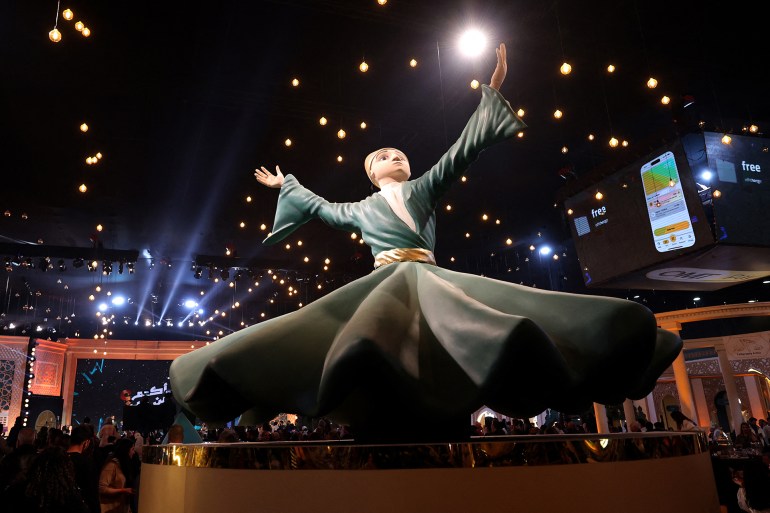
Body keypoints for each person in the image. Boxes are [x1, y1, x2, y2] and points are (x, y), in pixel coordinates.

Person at [170, 42, 681, 441]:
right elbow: (322, 209)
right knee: (363, 342)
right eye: (381, 156)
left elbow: (460, 153)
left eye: (396, 153)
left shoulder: (423, 187)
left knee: (474, 330)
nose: (392, 156)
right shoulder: (360, 209)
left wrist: (492, 95)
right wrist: (286, 185)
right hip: (384, 284)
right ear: (370, 174)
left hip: (430, 275)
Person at [98, 438, 134, 513]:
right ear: (126, 450)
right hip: (110, 508)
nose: (133, 452)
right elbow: (102, 488)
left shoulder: (123, 465)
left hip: (120, 507)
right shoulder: (112, 465)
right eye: (132, 449)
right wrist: (123, 490)